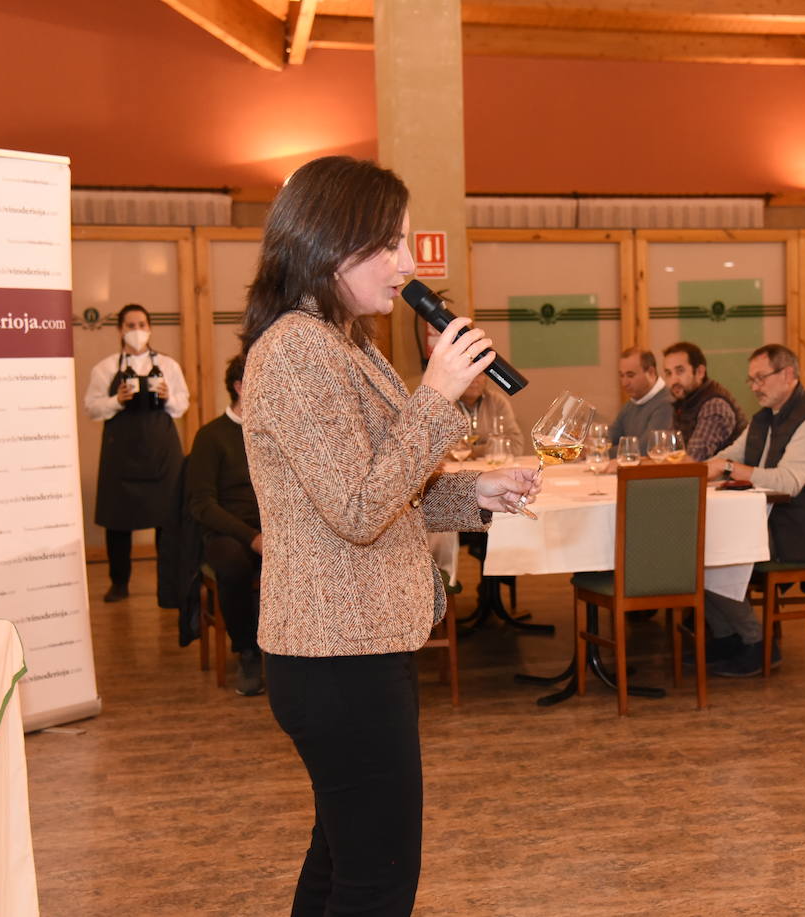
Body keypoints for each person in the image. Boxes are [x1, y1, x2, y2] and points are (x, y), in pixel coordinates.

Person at [239, 155, 539, 917]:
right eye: (389, 244)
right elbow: (358, 507)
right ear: (327, 243)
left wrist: (475, 493)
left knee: (342, 860)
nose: (408, 265)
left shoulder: (343, 341)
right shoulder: (297, 350)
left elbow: (377, 485)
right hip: (336, 653)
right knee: (376, 879)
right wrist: (438, 394)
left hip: (356, 644)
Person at [698, 344, 805, 677]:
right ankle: (727, 637)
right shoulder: (764, 419)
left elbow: (789, 483)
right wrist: (694, 470)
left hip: (802, 533)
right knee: (694, 549)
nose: (754, 387)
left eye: (761, 378)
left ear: (788, 374)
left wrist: (729, 468)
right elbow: (728, 456)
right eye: (751, 380)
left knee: (712, 551)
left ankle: (756, 642)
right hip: (770, 521)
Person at [83, 303, 190, 603]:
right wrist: (115, 401)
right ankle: (119, 583)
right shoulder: (105, 368)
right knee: (117, 519)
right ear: (120, 330)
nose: (137, 331)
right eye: (130, 325)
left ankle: (168, 583)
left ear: (150, 328)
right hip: (121, 455)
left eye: (142, 324)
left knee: (166, 519)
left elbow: (183, 405)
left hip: (161, 454)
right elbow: (91, 408)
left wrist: (169, 397)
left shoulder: (168, 366)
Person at [185, 354, 264, 696]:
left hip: (271, 527)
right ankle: (247, 650)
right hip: (229, 531)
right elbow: (202, 504)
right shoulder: (211, 436)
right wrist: (252, 537)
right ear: (240, 387)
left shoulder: (273, 432)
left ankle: (297, 650)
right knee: (233, 563)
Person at [663, 341, 747, 461]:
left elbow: (695, 459)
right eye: (668, 373)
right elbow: (670, 450)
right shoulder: (684, 401)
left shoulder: (714, 405)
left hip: (725, 473)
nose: (673, 380)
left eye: (680, 371)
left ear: (700, 372)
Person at [607, 347, 674, 455]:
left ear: (651, 372)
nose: (624, 383)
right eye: (621, 375)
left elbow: (645, 449)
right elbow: (610, 436)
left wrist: (601, 452)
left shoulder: (667, 404)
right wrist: (590, 445)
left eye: (630, 375)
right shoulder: (631, 403)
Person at [456, 372, 522, 457]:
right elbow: (441, 450)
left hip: (491, 464)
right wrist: (492, 447)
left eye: (480, 374)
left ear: (486, 378)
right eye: (470, 373)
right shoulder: (444, 403)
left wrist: (471, 452)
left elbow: (515, 446)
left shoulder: (497, 402)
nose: (474, 379)